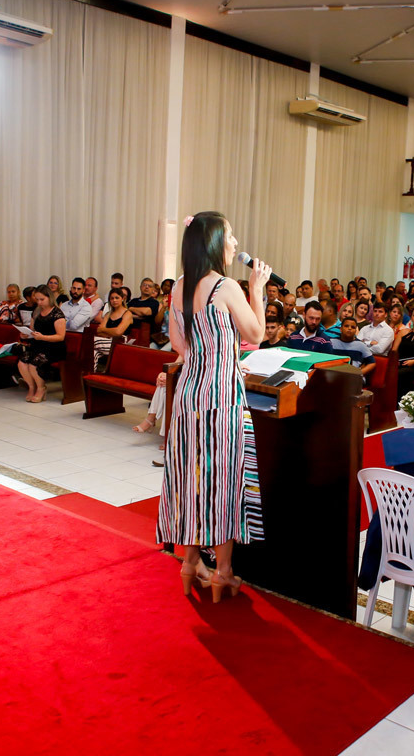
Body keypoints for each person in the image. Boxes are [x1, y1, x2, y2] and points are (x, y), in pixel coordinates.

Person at [158, 211, 268, 602]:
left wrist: (218, 353)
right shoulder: (226, 286)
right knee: (222, 481)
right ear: (214, 243)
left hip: (189, 393)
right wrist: (256, 289)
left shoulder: (179, 286)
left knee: (191, 478)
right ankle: (223, 571)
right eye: (230, 236)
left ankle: (190, 563)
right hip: (221, 397)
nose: (235, 243)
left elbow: (180, 345)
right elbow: (257, 334)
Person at [16, 285, 67, 402]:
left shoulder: (57, 314)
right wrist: (25, 334)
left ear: (49, 298)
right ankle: (31, 386)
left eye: (42, 299)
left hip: (54, 347)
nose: (39, 302)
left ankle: (41, 388)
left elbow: (60, 336)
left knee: (34, 364)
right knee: (22, 362)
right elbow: (32, 330)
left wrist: (42, 337)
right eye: (37, 299)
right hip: (38, 344)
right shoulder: (37, 311)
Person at [93, 287, 133, 367]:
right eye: (112, 298)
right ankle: (90, 374)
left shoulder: (127, 313)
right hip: (105, 342)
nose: (114, 300)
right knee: (93, 352)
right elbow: (99, 331)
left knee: (92, 341)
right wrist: (111, 332)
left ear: (122, 299)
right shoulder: (108, 314)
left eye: (117, 298)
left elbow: (118, 332)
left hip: (121, 343)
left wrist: (105, 330)